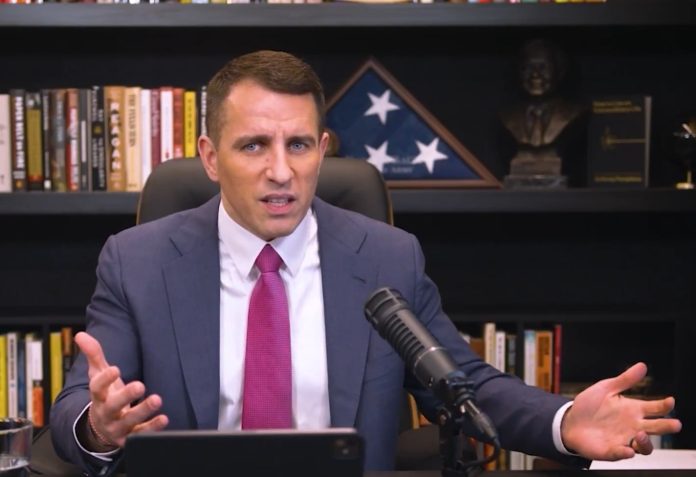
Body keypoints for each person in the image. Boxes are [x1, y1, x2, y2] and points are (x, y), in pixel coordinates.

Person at [51, 50, 681, 476]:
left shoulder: (386, 257)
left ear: (323, 149)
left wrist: (564, 421)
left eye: (299, 144)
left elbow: (464, 385)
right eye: (254, 146)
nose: (281, 170)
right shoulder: (138, 261)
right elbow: (77, 404)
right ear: (211, 158)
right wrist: (99, 428)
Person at [500, 38, 586, 182]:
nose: (535, 75)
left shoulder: (573, 113)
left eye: (543, 67)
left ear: (559, 72)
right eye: (528, 68)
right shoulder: (507, 117)